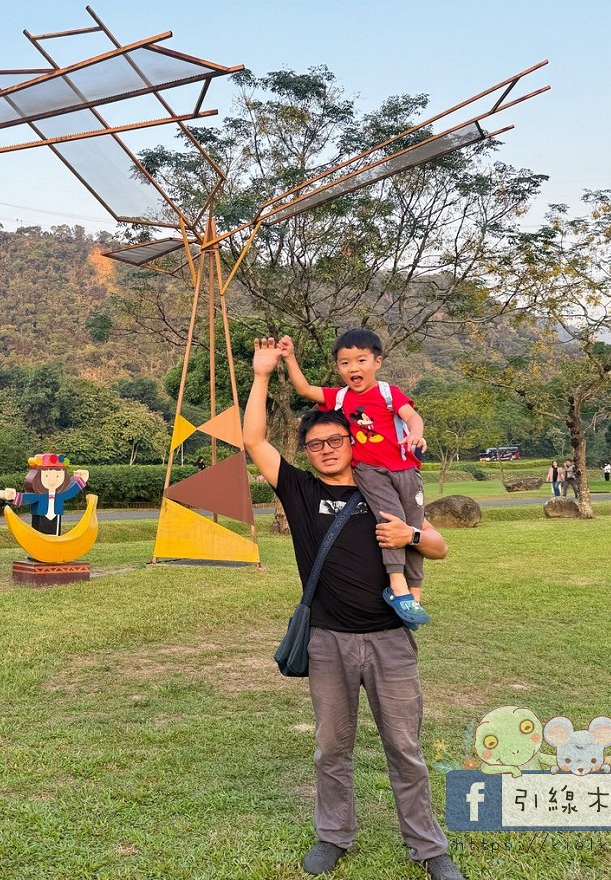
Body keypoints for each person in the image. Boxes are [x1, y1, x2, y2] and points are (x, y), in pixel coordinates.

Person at [244, 339, 464, 880]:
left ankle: (429, 848)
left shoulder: (382, 487)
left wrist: (409, 533)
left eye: (334, 440)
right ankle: (333, 835)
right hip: (328, 640)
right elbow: (251, 439)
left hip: (391, 638)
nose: (325, 449)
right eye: (314, 444)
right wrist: (262, 375)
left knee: (404, 747)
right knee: (331, 748)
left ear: (353, 439)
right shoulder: (299, 492)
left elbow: (437, 546)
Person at [279, 329, 429, 629]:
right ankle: (397, 585)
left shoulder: (389, 393)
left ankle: (414, 595)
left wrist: (416, 433)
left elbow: (412, 416)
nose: (353, 368)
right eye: (345, 363)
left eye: (361, 360)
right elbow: (305, 389)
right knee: (391, 520)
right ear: (338, 368)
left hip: (405, 470)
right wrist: (290, 358)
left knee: (411, 527)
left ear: (377, 362)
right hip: (370, 473)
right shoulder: (340, 398)